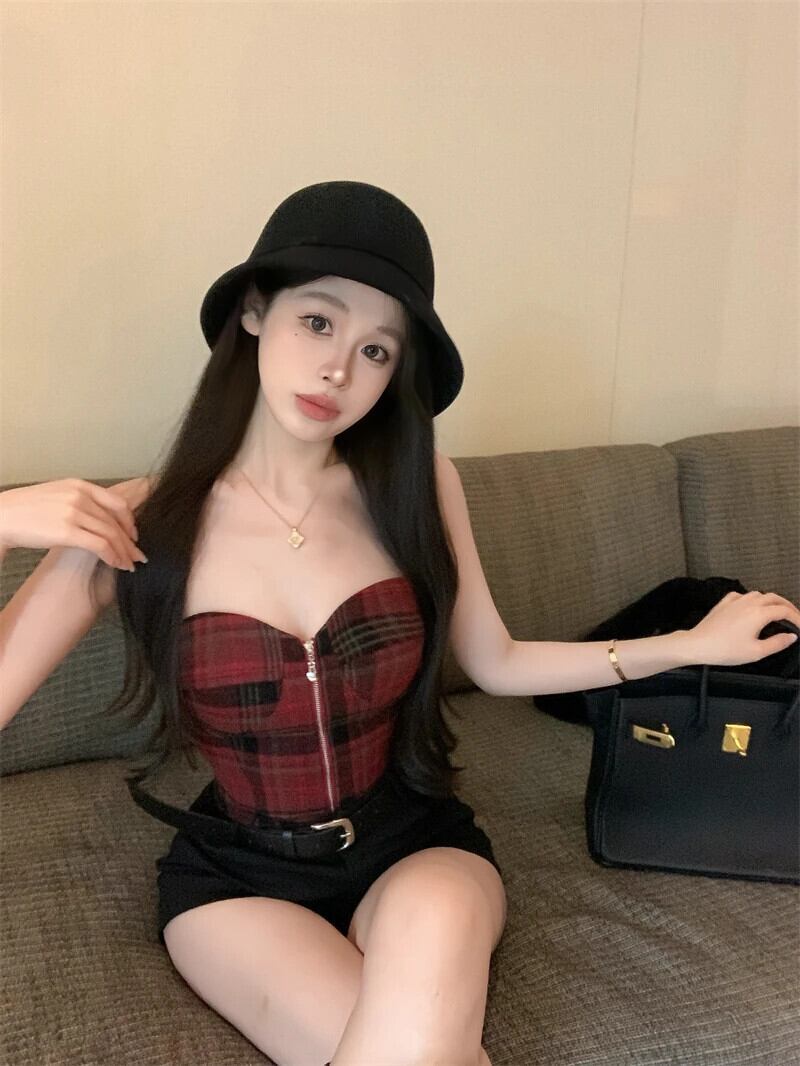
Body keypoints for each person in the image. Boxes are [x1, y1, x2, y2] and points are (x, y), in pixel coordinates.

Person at [1, 180, 799, 1066]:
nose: (340, 370)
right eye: (318, 322)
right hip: (238, 878)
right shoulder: (136, 524)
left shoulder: (417, 488)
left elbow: (495, 663)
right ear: (255, 312)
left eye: (376, 349)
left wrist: (689, 647)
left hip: (414, 845)